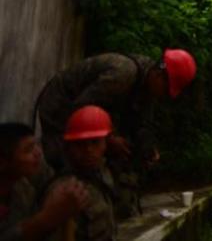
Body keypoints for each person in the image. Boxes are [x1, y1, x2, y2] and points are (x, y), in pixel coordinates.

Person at [34, 49, 196, 217]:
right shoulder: (123, 75)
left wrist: (148, 147)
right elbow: (83, 108)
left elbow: (142, 124)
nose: (165, 96)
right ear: (159, 76)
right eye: (166, 90)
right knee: (69, 163)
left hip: (90, 114)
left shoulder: (147, 83)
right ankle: (55, 216)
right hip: (61, 108)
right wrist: (109, 139)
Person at [1, 123, 87, 241]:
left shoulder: (22, 185)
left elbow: (52, 182)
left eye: (37, 145)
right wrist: (46, 219)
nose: (38, 153)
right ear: (2, 162)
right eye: (28, 150)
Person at [45, 107, 117, 241]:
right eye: (79, 144)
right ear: (69, 147)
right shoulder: (63, 190)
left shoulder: (102, 173)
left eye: (95, 142)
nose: (88, 150)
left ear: (106, 143)